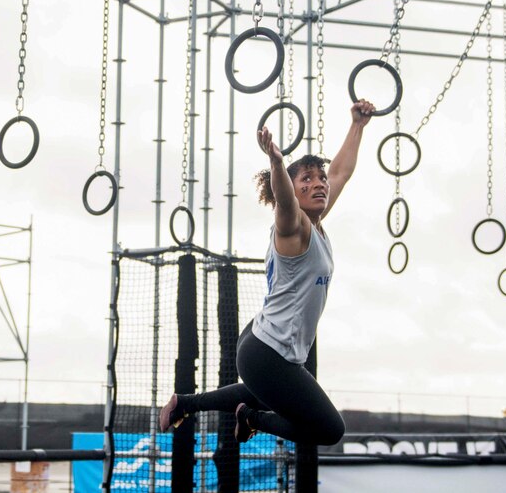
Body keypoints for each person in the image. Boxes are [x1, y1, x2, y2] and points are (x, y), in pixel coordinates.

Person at [157, 99, 377, 445]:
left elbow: (340, 174)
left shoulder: (315, 223)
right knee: (329, 430)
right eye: (307, 179)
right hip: (267, 352)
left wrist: (357, 125)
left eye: (320, 179)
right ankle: (251, 418)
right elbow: (286, 202)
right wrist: (276, 162)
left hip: (261, 344)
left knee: (264, 390)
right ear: (291, 189)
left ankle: (185, 403)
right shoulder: (293, 228)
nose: (319, 183)